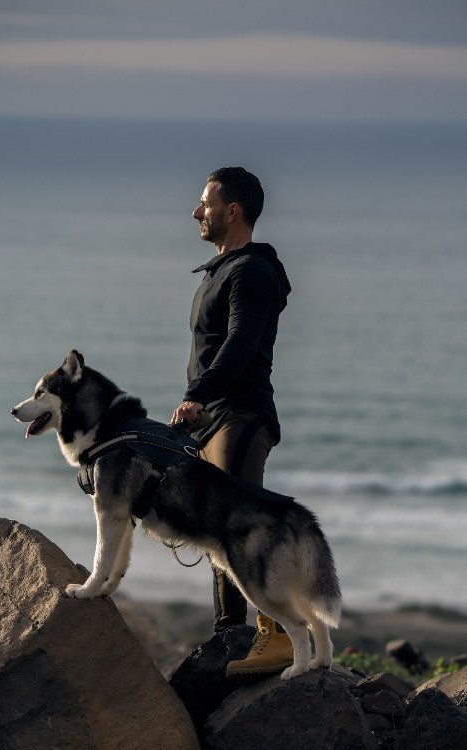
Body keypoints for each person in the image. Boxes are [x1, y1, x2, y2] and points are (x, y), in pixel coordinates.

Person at [170, 167, 292, 677]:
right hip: (215, 419)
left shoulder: (250, 273)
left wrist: (197, 396)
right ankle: (231, 636)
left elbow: (241, 343)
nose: (197, 212)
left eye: (205, 203)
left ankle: (277, 633)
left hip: (239, 415)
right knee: (217, 527)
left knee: (239, 524)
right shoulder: (221, 271)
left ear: (232, 210)